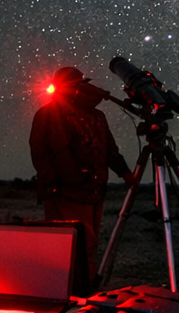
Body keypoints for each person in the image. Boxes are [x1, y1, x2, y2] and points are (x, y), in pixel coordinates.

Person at [30, 66, 132, 280]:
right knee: (71, 243)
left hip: (92, 190)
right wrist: (59, 183)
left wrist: (125, 173)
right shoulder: (48, 115)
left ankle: (80, 286)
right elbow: (41, 154)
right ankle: (71, 287)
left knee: (87, 243)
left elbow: (110, 150)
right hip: (66, 193)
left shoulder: (97, 116)